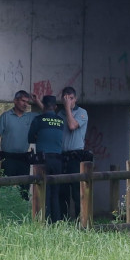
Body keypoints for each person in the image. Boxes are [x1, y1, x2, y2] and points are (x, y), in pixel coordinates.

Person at [0, 90, 42, 200]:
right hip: (8, 158)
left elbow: (46, 113)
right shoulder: (5, 116)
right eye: (23, 101)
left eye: (27, 102)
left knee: (24, 191)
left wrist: (37, 101)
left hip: (23, 158)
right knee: (5, 190)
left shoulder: (30, 117)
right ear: (15, 101)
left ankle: (23, 215)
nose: (25, 104)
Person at [28, 96, 66, 222]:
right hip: (58, 160)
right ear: (55, 107)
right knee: (55, 193)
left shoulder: (38, 119)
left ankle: (45, 221)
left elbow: (30, 138)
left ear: (43, 106)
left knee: (44, 192)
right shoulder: (61, 121)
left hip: (43, 160)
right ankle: (56, 222)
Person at [58, 86, 90, 220]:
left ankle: (79, 220)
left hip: (76, 156)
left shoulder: (82, 112)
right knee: (62, 191)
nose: (69, 101)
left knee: (77, 191)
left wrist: (67, 108)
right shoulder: (59, 114)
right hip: (62, 156)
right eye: (66, 98)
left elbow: (72, 126)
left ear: (75, 99)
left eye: (71, 98)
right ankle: (64, 220)